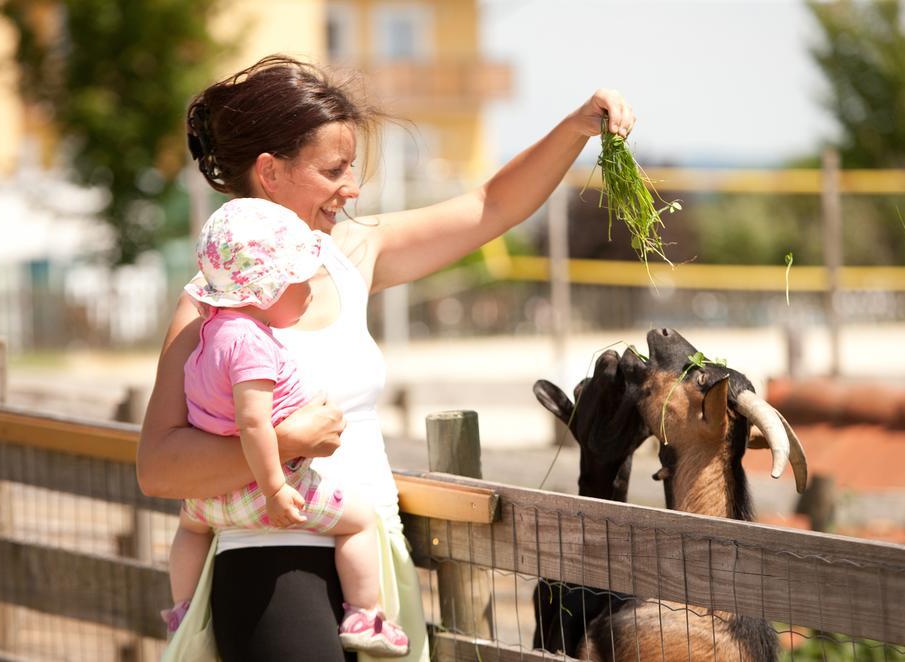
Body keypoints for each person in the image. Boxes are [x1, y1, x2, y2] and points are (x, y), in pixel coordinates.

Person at [138, 53, 635, 661]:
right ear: (270, 172)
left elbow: (492, 206)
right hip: (274, 567)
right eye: (334, 169)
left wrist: (576, 128)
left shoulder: (352, 251)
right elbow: (158, 467)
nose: (352, 187)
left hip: (370, 557)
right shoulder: (214, 304)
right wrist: (287, 440)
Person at [163, 197, 408, 657]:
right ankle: (364, 613)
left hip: (207, 502)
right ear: (265, 290)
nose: (311, 290)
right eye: (299, 283)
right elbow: (254, 422)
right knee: (358, 520)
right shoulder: (251, 343)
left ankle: (182, 608)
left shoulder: (210, 331)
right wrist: (276, 489)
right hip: (262, 492)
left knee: (190, 529)